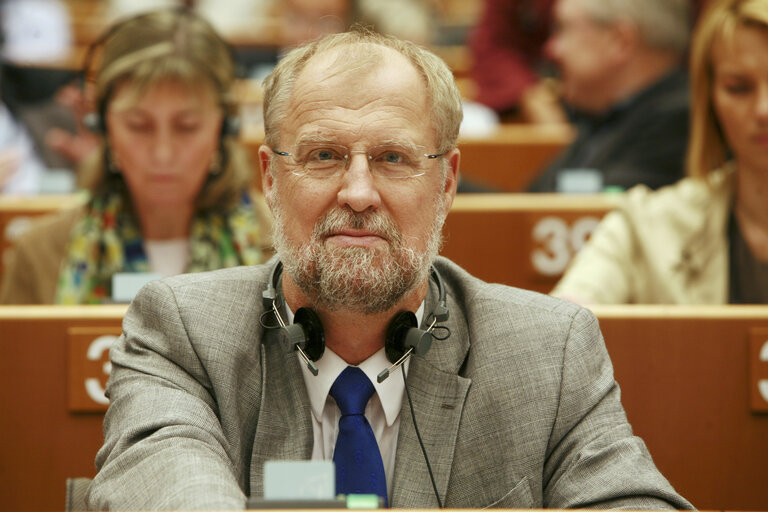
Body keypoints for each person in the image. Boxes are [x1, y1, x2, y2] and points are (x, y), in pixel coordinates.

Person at [85, 26, 692, 510]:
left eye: (393, 158)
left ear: (448, 182)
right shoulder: (180, 334)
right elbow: (171, 488)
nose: (357, 192)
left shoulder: (549, 352)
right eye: (324, 155)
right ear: (270, 178)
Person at [0, 9, 271, 304]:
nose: (162, 153)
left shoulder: (282, 250)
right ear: (103, 126)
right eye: (139, 126)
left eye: (186, 127)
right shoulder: (39, 254)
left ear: (224, 128)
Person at [552, 0, 768, 304]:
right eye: (739, 88)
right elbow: (562, 326)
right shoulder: (646, 227)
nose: (763, 110)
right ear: (710, 102)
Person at [527, 0, 692, 193]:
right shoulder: (604, 112)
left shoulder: (679, 121)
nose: (552, 49)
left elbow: (588, 213)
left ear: (620, 41)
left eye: (564, 29)